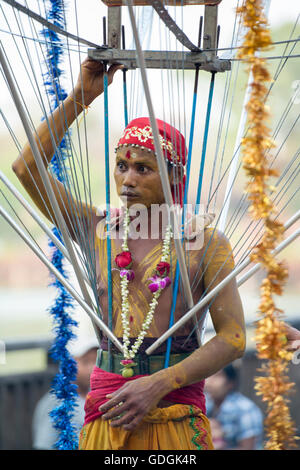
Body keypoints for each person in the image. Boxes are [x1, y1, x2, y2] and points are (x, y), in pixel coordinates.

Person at [11, 57, 295, 451]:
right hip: (107, 418)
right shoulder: (96, 228)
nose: (127, 179)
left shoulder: (205, 241)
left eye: (143, 169)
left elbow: (231, 339)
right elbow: (26, 169)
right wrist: (81, 96)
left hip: (175, 419)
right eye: (121, 166)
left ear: (176, 176)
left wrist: (159, 383)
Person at [32, 336, 98, 450]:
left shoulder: (94, 395)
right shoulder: (57, 402)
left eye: (96, 361)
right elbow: (44, 445)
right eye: (85, 362)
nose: (92, 368)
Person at [204, 364, 264, 450]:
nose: (209, 381)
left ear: (230, 383)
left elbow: (248, 448)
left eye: (217, 376)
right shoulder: (206, 404)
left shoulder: (245, 409)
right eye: (208, 376)